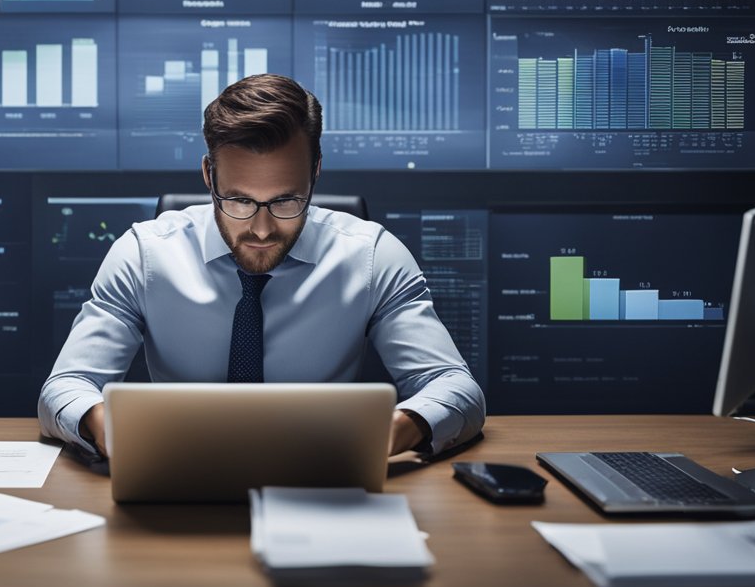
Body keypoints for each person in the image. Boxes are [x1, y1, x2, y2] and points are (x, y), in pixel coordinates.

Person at [38, 73, 485, 458]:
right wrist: (105, 426)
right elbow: (66, 387)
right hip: (176, 474)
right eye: (239, 200)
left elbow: (455, 387)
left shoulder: (372, 256)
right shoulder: (143, 254)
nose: (262, 229)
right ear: (209, 176)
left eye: (287, 200)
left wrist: (390, 432)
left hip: (324, 481)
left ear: (315, 174)